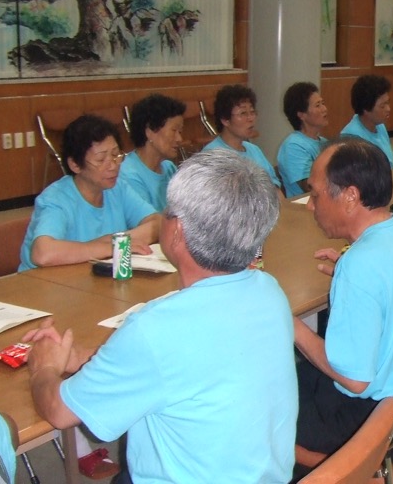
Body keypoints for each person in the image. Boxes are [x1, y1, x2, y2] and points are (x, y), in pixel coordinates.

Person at [24, 150, 297, 483]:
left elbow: (59, 411)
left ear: (177, 231)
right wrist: (89, 359)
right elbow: (192, 359)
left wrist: (44, 367)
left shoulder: (155, 329)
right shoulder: (268, 289)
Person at [294, 139, 393, 470]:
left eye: (316, 194)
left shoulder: (361, 265)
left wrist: (289, 323)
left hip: (380, 425)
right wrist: (353, 279)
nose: (310, 206)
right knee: (296, 373)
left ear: (350, 196)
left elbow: (354, 381)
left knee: (262, 405)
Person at [19, 114, 160, 272]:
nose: (113, 166)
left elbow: (157, 223)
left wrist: (114, 241)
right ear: (75, 165)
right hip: (43, 282)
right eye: (101, 160)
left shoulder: (118, 188)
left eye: (116, 155)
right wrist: (111, 246)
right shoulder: (56, 199)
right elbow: (43, 254)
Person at [203, 84, 282, 189]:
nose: (250, 118)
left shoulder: (254, 150)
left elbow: (274, 188)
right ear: (225, 120)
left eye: (252, 112)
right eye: (243, 113)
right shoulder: (212, 155)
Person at [119, 93, 185, 211]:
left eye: (180, 132)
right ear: (149, 131)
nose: (179, 139)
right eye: (174, 130)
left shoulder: (169, 168)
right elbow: (147, 219)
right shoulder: (128, 174)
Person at [277, 82, 329, 196]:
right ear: (301, 115)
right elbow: (310, 186)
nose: (324, 109)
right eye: (318, 105)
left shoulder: (325, 142)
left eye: (323, 103)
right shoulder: (293, 146)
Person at [340, 74, 393, 168]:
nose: (388, 109)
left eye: (388, 103)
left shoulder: (379, 125)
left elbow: (392, 163)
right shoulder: (351, 138)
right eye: (382, 106)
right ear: (366, 109)